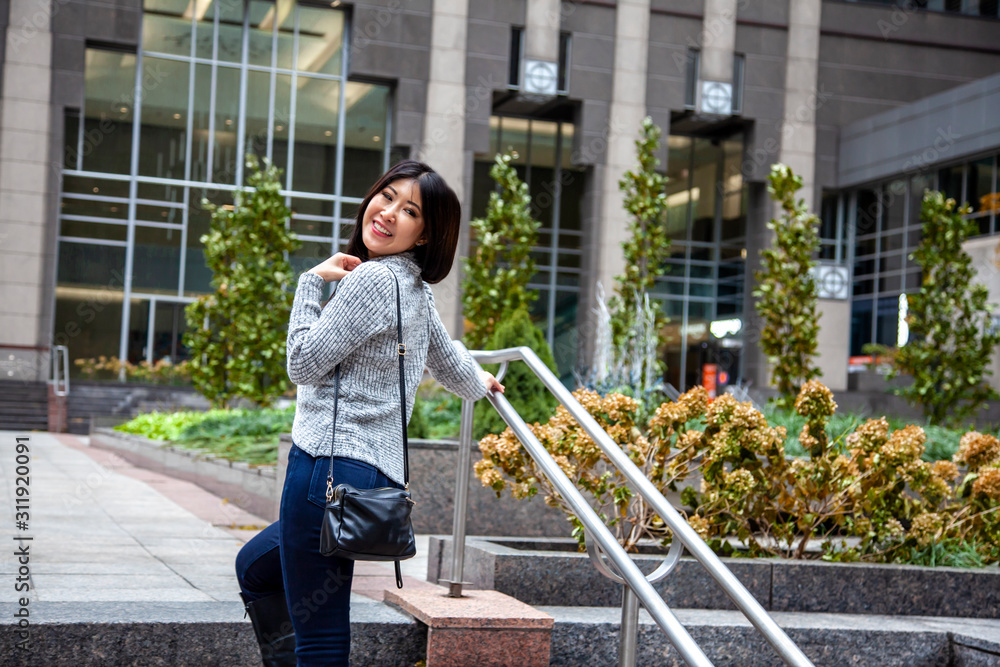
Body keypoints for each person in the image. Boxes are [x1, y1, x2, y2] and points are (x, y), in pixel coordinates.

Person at [235, 160, 504, 667]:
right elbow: (450, 365)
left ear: (425, 236)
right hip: (369, 477)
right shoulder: (413, 291)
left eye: (409, 211)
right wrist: (485, 381)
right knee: (255, 567)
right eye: (387, 196)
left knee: (323, 636)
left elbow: (302, 364)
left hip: (325, 471)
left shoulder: (370, 282)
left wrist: (310, 283)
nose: (387, 213)